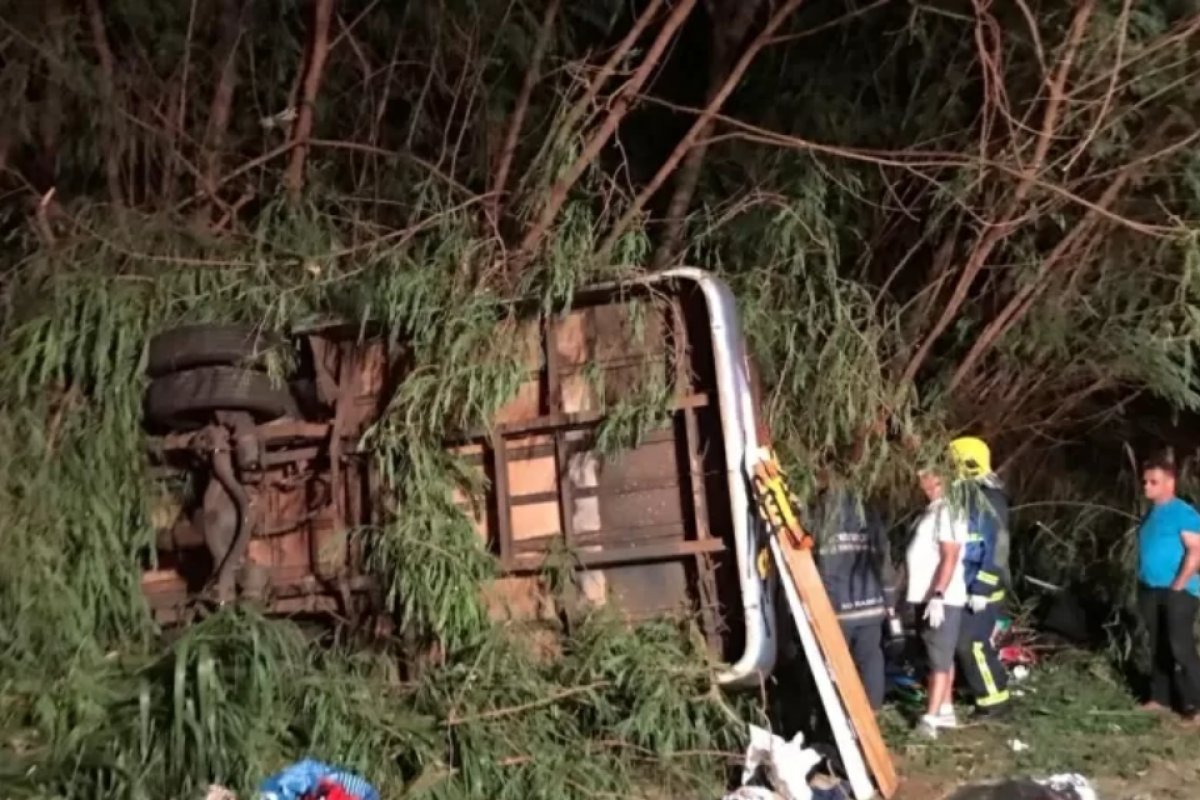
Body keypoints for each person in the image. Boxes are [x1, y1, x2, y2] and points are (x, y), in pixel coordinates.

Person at [806, 484, 897, 710]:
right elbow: (884, 563)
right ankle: (872, 711)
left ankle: (837, 712)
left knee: (835, 663)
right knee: (870, 660)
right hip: (871, 605)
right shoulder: (869, 515)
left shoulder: (819, 517)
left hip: (836, 609)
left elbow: (813, 563)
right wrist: (890, 602)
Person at [949, 436, 1013, 718]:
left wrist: (982, 587)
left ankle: (994, 701)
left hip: (981, 588)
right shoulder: (966, 497)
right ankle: (977, 689)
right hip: (965, 584)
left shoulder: (989, 499)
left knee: (973, 644)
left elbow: (998, 547)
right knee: (966, 644)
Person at [1135, 452, 1200, 723]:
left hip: (1179, 591)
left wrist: (1178, 586)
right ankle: (1160, 698)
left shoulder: (1182, 512)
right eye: (1145, 482)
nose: (1147, 486)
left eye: (1153, 482)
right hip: (1151, 588)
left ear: (1170, 482)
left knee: (1180, 647)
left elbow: (1195, 550)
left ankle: (1195, 705)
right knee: (1158, 644)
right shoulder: (1152, 514)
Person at [905, 465, 969, 738]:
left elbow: (950, 555)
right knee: (939, 653)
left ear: (938, 478)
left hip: (941, 598)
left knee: (937, 658)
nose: (920, 479)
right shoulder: (934, 509)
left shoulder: (948, 511)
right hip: (925, 594)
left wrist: (939, 595)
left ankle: (929, 719)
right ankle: (945, 709)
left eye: (924, 474)